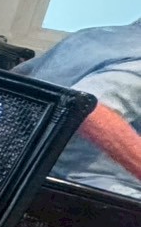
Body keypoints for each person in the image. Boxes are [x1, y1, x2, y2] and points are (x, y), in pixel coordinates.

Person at [13, 18, 141, 200]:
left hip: (25, 170)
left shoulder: (92, 35)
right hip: (81, 190)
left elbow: (17, 77)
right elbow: (90, 111)